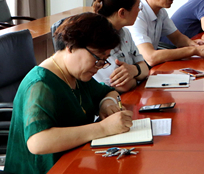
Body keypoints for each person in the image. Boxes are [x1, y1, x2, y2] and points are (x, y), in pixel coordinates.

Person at [5, 13, 134, 174]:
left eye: (104, 61)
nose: (99, 66)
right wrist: (103, 128)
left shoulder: (77, 75)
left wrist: (106, 104)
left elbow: (109, 92)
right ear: (71, 46)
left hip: (75, 162)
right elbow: (38, 142)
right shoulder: (41, 84)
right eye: (97, 59)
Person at [84, 0, 150, 92]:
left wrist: (134, 70)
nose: (139, 10)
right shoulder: (96, 38)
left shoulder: (125, 33)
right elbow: (122, 85)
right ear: (122, 12)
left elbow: (145, 68)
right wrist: (137, 74)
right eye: (137, 6)